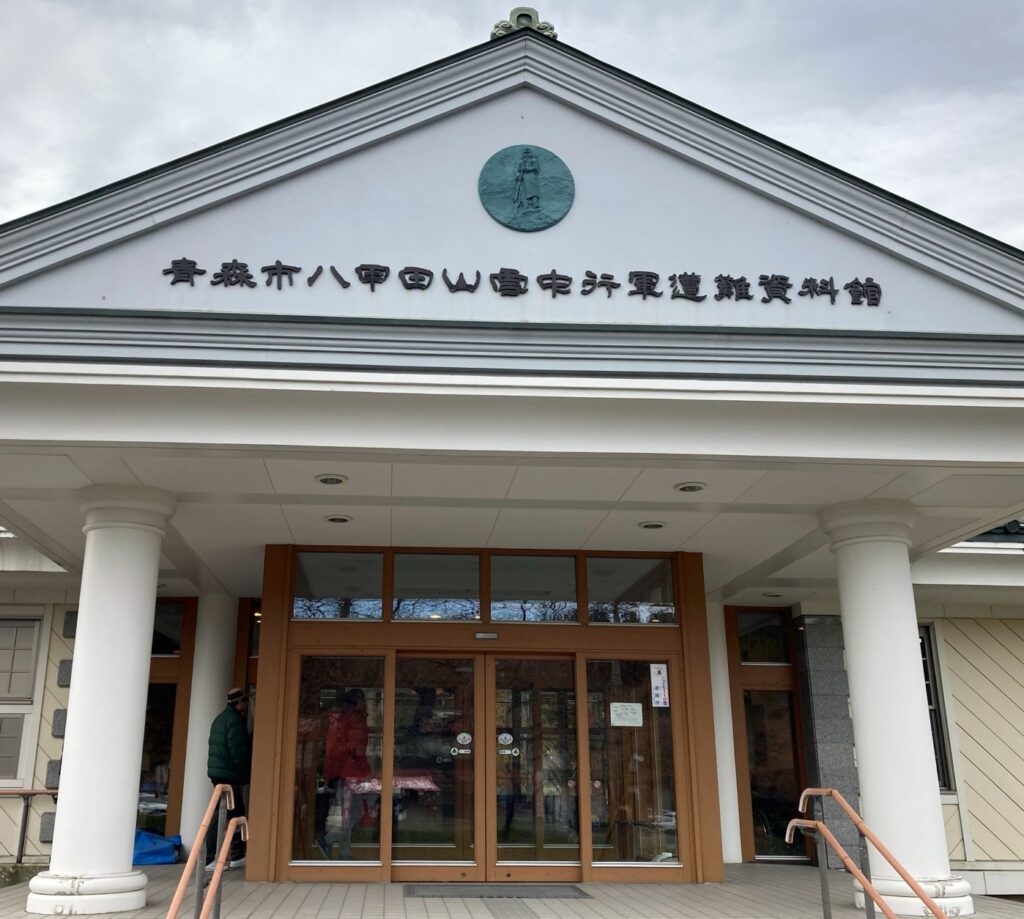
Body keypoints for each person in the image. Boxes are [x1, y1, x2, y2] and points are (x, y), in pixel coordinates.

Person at [206, 686, 252, 870]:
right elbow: (238, 751)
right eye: (245, 701)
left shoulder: (220, 719)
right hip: (228, 775)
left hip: (219, 774)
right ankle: (211, 858)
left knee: (235, 812)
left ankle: (237, 855)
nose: (246, 704)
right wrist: (245, 773)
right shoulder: (235, 721)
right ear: (238, 702)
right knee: (222, 814)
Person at [322, 688, 370, 858]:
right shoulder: (354, 719)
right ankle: (328, 842)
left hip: (346, 771)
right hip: (350, 772)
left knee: (349, 813)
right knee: (353, 812)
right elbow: (355, 746)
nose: (366, 703)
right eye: (363, 700)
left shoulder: (342, 718)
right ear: (357, 702)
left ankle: (343, 852)